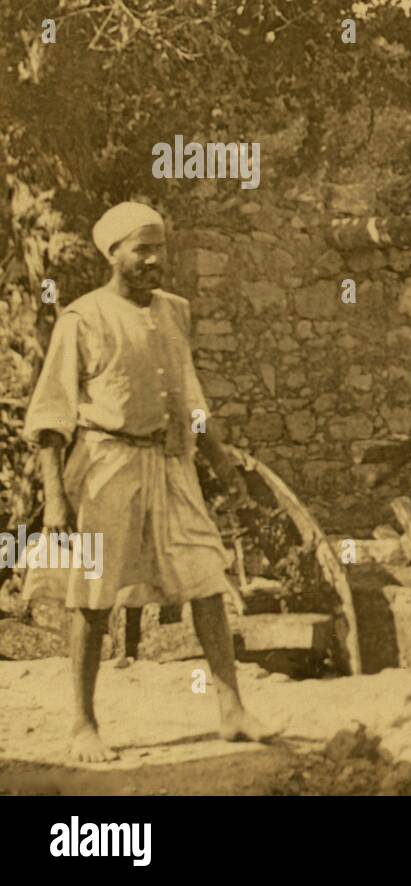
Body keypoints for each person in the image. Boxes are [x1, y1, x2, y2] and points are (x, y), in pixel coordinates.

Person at [23, 201, 278, 763]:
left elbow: (191, 399)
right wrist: (55, 501)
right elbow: (51, 417)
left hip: (169, 463)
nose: (153, 260)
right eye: (141, 249)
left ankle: (232, 709)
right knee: (92, 596)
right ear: (112, 254)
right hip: (105, 465)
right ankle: (84, 723)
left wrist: (222, 460)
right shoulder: (82, 319)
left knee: (206, 575)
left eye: (158, 248)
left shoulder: (175, 312)